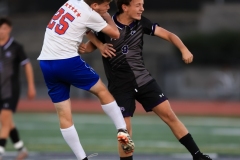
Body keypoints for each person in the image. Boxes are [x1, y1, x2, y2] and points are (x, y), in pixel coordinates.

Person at [78, 0, 213, 160]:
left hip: (143, 80)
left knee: (170, 116)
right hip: (120, 86)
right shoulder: (106, 26)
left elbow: (169, 35)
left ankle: (198, 156)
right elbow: (87, 47)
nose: (142, 8)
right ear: (125, 7)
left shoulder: (141, 23)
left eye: (142, 4)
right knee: (125, 131)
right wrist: (89, 42)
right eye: (138, 5)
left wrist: (184, 49)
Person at [37, 0, 135, 160]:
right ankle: (122, 129)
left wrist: (99, 44)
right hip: (67, 61)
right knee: (102, 91)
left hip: (46, 63)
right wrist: (106, 16)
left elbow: (84, 28)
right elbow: (115, 33)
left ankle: (82, 158)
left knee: (64, 115)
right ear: (95, 5)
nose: (108, 7)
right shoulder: (90, 13)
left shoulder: (71, 2)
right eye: (106, 4)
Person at [0, 17, 36, 160]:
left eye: (4, 28)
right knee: (7, 122)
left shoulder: (16, 47)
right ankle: (21, 149)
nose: (1, 31)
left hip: (11, 89)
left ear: (9, 29)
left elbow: (27, 65)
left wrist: (31, 85)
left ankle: (0, 151)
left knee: (5, 118)